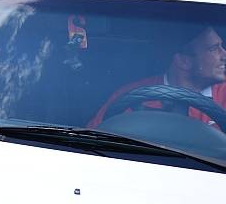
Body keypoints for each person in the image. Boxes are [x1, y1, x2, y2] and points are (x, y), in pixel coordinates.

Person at [89, 25, 226, 128]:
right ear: (184, 61)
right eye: (214, 49)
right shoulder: (131, 96)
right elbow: (96, 140)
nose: (224, 55)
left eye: (221, 46)